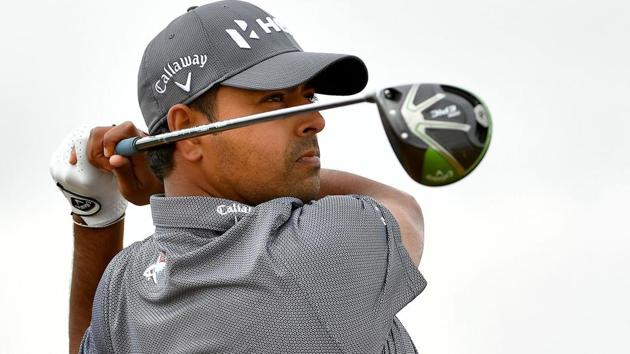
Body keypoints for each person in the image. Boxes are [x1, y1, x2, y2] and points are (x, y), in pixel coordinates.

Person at [50, 1, 426, 353]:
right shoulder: (318, 247)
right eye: (274, 99)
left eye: (307, 97)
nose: (316, 120)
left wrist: (97, 216)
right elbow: (401, 207)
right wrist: (164, 176)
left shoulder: (123, 285)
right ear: (189, 130)